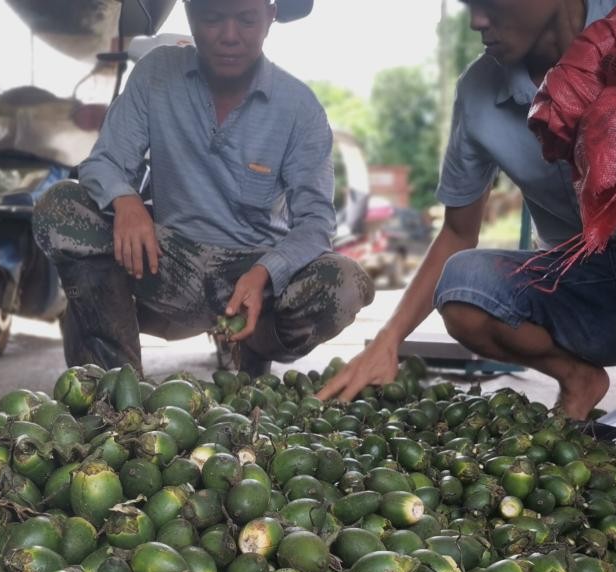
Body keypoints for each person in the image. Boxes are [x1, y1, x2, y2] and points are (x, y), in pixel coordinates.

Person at [318, 0, 616, 506]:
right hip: (577, 290)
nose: (476, 22)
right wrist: (387, 341)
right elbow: (457, 232)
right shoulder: (479, 93)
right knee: (462, 283)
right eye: (470, 6)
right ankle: (579, 379)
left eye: (489, 4)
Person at [33, 0, 373, 377]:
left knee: (345, 282)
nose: (229, 36)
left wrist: (265, 273)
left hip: (252, 276)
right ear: (191, 16)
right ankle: (112, 389)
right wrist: (125, 200)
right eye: (212, 18)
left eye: (245, 20)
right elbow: (103, 161)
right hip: (165, 263)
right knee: (61, 206)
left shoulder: (299, 108)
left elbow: (316, 223)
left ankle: (248, 341)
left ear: (269, 18)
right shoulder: (157, 74)